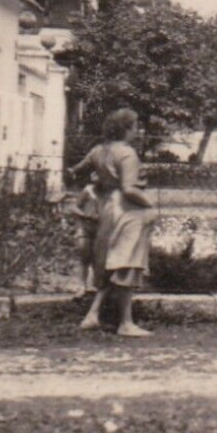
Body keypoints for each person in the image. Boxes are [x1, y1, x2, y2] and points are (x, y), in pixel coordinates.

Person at [76, 108, 158, 336]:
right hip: (127, 210)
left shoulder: (100, 151)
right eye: (135, 126)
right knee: (127, 263)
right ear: (126, 129)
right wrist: (149, 205)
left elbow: (78, 170)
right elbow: (129, 188)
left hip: (107, 206)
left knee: (112, 262)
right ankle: (125, 323)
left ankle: (93, 314)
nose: (137, 131)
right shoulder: (127, 153)